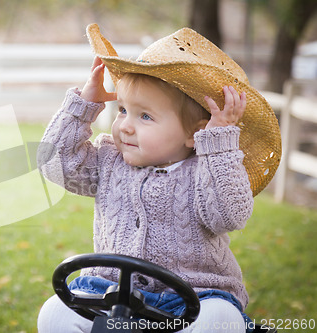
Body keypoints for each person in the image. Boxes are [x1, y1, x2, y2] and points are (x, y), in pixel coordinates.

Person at [37, 24, 281, 333]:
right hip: (109, 291)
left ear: (195, 133)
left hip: (192, 297)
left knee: (220, 319)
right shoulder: (108, 160)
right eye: (122, 110)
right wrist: (84, 106)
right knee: (54, 313)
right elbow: (54, 163)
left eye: (145, 116)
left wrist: (218, 145)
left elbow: (230, 215)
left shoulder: (205, 172)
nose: (125, 125)